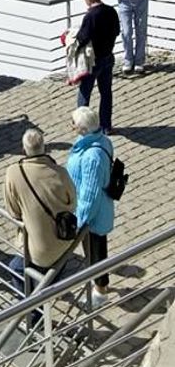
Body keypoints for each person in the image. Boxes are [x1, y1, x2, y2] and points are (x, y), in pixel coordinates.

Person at [4, 128, 77, 292]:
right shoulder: (60, 173)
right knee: (52, 270)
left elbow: (13, 211)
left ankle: (34, 311)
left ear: (23, 150)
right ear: (44, 148)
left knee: (16, 268)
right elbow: (72, 204)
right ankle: (46, 291)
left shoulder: (13, 173)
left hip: (37, 249)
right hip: (63, 241)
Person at [66, 106, 115, 309]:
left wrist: (80, 221)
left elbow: (90, 194)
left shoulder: (92, 157)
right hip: (93, 209)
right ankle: (99, 284)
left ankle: (100, 290)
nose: (71, 126)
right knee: (94, 251)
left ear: (83, 129)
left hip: (93, 216)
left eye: (74, 124)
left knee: (96, 252)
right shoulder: (96, 141)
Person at [75, 0, 120, 133]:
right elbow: (117, 31)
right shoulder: (111, 11)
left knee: (84, 93)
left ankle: (83, 126)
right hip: (108, 56)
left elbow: (83, 38)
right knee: (106, 92)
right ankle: (106, 125)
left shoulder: (90, 16)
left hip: (92, 60)